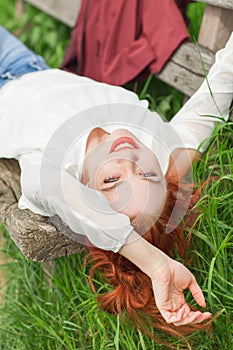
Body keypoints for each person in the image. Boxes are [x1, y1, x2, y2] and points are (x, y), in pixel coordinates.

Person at [0, 26, 232, 345]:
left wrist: (156, 265)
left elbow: (51, 189)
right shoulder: (163, 152)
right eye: (147, 174)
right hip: (27, 64)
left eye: (112, 181)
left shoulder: (51, 169)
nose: (129, 158)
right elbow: (221, 82)